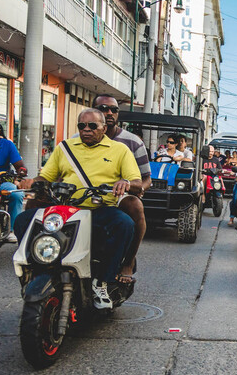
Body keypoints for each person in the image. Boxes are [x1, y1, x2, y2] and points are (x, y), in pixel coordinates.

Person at [15, 108, 142, 309]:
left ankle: (102, 281)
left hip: (98, 209)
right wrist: (31, 181)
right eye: (82, 126)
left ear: (104, 127)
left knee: (124, 224)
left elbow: (135, 180)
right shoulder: (65, 147)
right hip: (65, 208)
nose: (86, 130)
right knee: (24, 220)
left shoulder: (119, 150)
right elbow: (46, 177)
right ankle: (34, 270)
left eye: (93, 126)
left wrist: (125, 183)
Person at [92, 96, 151, 283]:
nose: (109, 113)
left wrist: (135, 188)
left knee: (135, 206)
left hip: (117, 195)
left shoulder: (132, 142)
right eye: (103, 108)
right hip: (83, 193)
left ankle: (128, 260)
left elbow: (146, 178)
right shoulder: (77, 140)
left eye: (114, 110)